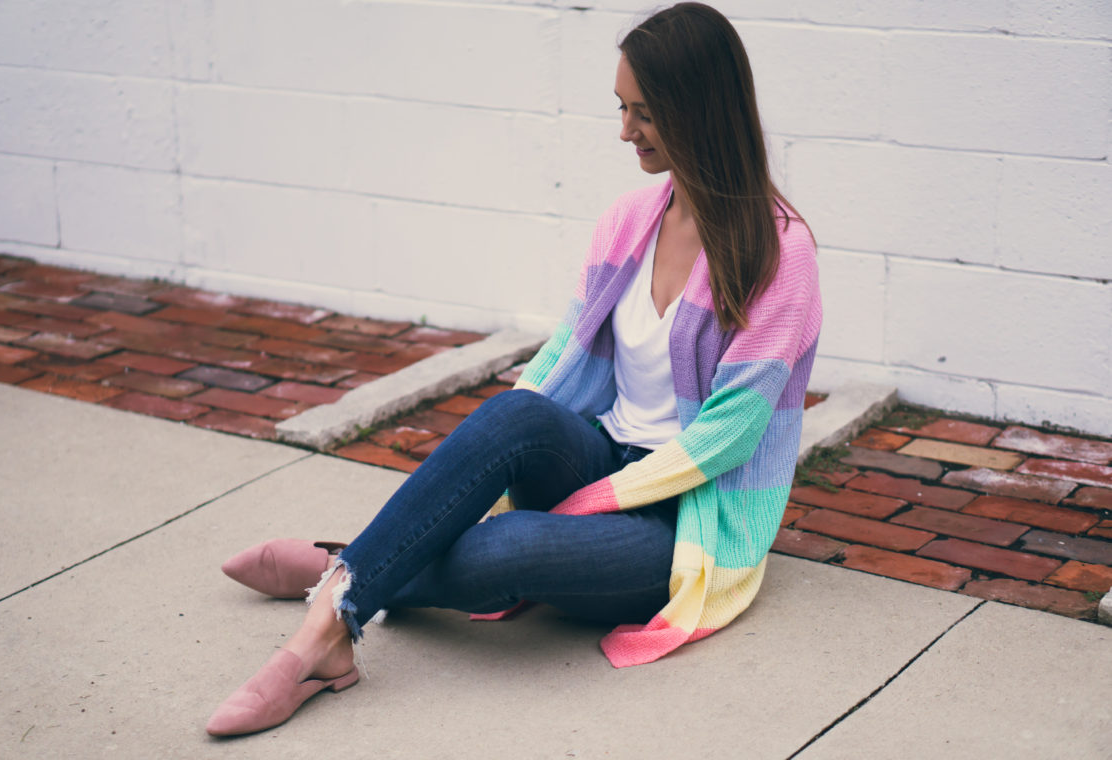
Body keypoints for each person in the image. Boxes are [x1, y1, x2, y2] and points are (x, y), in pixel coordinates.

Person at [206, 1, 821, 737]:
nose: (625, 131)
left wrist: (589, 503)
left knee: (507, 548)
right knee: (515, 411)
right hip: (598, 458)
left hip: (682, 517)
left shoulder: (781, 255)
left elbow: (729, 436)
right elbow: (563, 355)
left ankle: (337, 570)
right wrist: (500, 447)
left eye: (646, 114)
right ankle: (327, 629)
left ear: (700, 112)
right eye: (621, 109)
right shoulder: (628, 220)